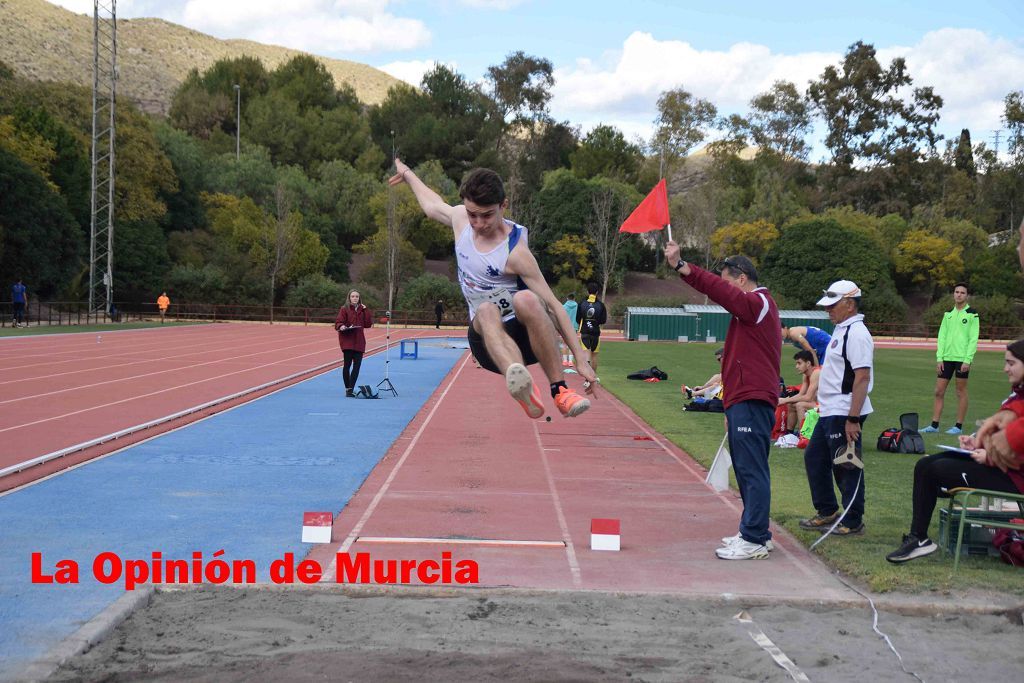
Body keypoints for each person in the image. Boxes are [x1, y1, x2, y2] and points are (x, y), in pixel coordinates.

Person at [390, 159, 596, 419]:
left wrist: (580, 357)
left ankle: (560, 391)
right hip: (487, 343)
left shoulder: (516, 252)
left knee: (527, 300)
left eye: (487, 215)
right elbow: (432, 206)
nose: (478, 223)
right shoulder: (461, 221)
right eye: (472, 214)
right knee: (486, 310)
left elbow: (554, 306)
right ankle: (521, 383)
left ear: (503, 205)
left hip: (529, 339)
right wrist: (408, 174)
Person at [664, 244, 781, 560]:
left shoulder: (757, 303)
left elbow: (722, 294)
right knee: (746, 469)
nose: (727, 290)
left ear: (741, 279)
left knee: (751, 469)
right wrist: (730, 403)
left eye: (728, 281)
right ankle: (756, 533)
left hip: (753, 397)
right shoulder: (754, 309)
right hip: (745, 397)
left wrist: (683, 267)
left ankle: (754, 537)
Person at [886, 339, 1024, 563]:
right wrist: (976, 443)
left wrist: (988, 456)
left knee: (936, 470)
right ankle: (918, 538)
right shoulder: (1017, 396)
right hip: (1003, 469)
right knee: (925, 464)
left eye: (1011, 363)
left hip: (1014, 479)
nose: (1005, 368)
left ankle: (920, 534)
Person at [799, 280, 874, 537]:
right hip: (830, 409)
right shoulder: (843, 329)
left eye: (833, 305)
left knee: (846, 464)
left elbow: (862, 377)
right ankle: (828, 510)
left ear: (850, 304)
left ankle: (853, 520)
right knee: (815, 458)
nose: (828, 310)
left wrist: (853, 417)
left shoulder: (857, 333)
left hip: (844, 410)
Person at [920, 283, 979, 435]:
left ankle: (958, 426)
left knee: (960, 392)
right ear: (953, 294)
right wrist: (939, 358)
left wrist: (968, 360)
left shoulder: (972, 314)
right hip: (946, 358)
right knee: (938, 391)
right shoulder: (948, 314)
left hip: (962, 359)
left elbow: (973, 338)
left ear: (967, 296)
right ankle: (934, 425)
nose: (959, 295)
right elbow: (942, 336)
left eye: (962, 292)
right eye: (956, 292)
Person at [334, 290, 373, 398]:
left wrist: (366, 310)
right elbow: (338, 322)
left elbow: (368, 324)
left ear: (359, 298)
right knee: (347, 365)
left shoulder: (362, 310)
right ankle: (348, 389)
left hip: (359, 341)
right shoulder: (344, 309)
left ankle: (351, 388)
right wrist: (341, 326)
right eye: (353, 296)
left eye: (357, 296)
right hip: (347, 341)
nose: (355, 298)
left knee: (357, 366)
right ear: (349, 298)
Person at [778, 350, 821, 436]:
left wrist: (785, 400)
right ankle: (789, 434)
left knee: (800, 405)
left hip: (829, 406)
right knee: (791, 404)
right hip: (817, 403)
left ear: (808, 363)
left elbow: (808, 397)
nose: (796, 366)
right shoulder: (806, 374)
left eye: (799, 363)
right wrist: (787, 400)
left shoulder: (816, 373)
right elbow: (801, 394)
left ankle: (803, 435)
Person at [577, 282, 608, 373]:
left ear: (588, 291)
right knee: (594, 355)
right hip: (595, 333)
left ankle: (587, 377)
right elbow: (603, 321)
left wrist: (586, 321)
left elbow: (577, 319)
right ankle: (593, 377)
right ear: (597, 292)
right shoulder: (601, 305)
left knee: (586, 354)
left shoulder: (582, 303)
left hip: (585, 332)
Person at [561, 293, 578, 368]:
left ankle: (565, 361)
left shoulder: (563, 307)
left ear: (567, 298)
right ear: (574, 298)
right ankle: (570, 361)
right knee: (573, 345)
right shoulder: (577, 306)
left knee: (564, 344)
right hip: (574, 327)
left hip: (565, 327)